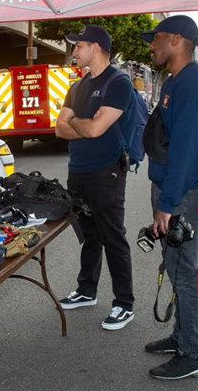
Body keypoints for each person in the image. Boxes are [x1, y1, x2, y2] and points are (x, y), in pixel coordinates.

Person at [140, 15, 198, 380]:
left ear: (175, 39)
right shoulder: (176, 81)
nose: (151, 45)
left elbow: (187, 151)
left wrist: (168, 205)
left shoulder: (193, 84)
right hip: (174, 192)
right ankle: (181, 335)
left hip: (186, 196)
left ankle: (193, 353)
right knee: (173, 268)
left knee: (187, 276)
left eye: (155, 38)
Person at [55, 25, 136, 330]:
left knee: (112, 236)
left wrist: (73, 119)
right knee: (89, 236)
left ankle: (124, 303)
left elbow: (93, 130)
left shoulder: (118, 82)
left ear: (97, 48)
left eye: (79, 46)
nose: (74, 51)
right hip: (77, 171)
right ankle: (87, 290)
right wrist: (79, 123)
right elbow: (58, 129)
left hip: (106, 172)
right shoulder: (77, 86)